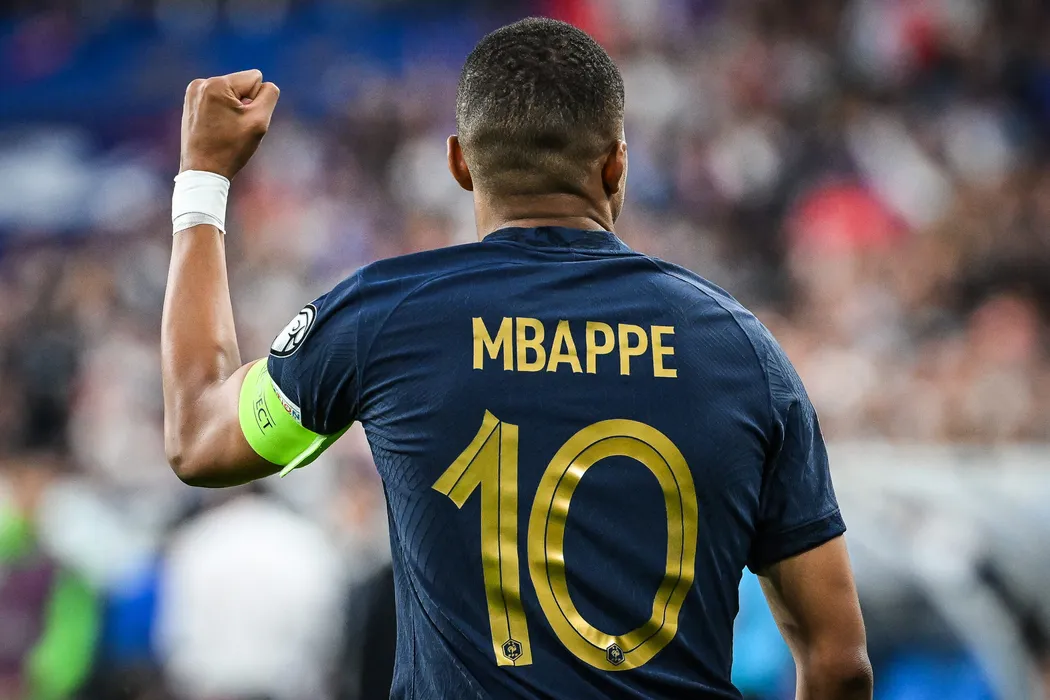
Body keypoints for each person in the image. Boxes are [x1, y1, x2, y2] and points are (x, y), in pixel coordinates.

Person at [160, 17, 872, 700]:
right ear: (616, 164)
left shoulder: (384, 317)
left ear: (459, 164)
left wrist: (203, 179)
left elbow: (199, 436)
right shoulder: (739, 348)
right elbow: (839, 665)